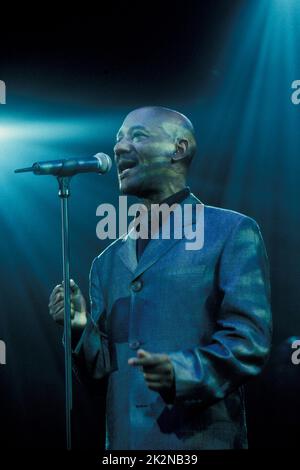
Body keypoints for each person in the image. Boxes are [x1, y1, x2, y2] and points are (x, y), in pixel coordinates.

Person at [49, 106, 272, 450]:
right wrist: (80, 328)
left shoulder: (230, 232)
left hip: (198, 442)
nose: (120, 148)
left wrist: (181, 373)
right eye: (118, 139)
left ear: (178, 149)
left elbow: (249, 342)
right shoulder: (107, 261)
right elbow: (102, 374)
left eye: (137, 136)